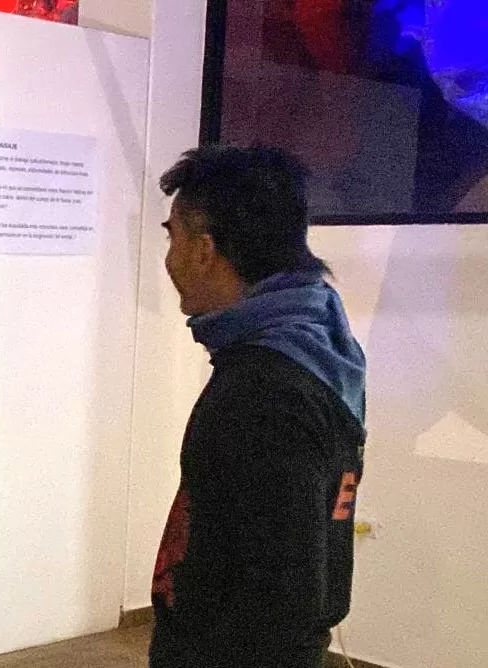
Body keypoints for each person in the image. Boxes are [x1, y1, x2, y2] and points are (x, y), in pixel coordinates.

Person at [150, 145, 368, 668]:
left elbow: (280, 594)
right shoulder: (319, 350)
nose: (169, 258)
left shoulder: (262, 392)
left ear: (204, 250)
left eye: (172, 237)